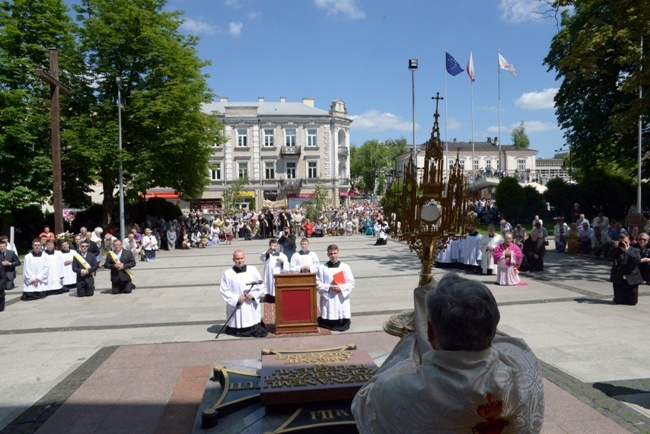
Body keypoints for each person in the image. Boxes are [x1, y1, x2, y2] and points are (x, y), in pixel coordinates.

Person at [351, 274, 544, 433]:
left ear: (430, 333)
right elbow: (502, 338)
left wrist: (406, 349)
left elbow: (364, 403)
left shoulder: (400, 390)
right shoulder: (524, 367)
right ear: (493, 326)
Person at [220, 250, 267, 337]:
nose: (240, 261)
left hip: (250, 303)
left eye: (241, 258)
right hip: (238, 303)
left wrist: (254, 294)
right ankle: (237, 328)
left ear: (244, 258)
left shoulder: (253, 270)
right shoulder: (227, 273)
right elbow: (224, 290)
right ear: (233, 259)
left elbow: (260, 285)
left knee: (252, 318)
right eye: (237, 259)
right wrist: (236, 299)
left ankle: (252, 328)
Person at [315, 244, 354, 331]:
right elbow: (317, 283)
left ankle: (341, 321)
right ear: (328, 255)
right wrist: (329, 287)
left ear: (338, 253)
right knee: (329, 311)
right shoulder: (322, 268)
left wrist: (341, 288)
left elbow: (351, 282)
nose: (333, 256)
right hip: (329, 295)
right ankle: (329, 322)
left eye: (335, 253)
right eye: (331, 254)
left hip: (340, 296)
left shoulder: (345, 267)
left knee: (341, 312)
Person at [607, 233, 642, 306]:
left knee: (632, 302)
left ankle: (627, 296)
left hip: (631, 278)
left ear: (629, 241)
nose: (624, 244)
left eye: (626, 242)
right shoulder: (616, 250)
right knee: (618, 301)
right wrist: (615, 248)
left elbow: (637, 259)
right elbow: (608, 258)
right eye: (622, 242)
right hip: (619, 278)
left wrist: (626, 250)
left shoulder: (635, 250)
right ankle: (620, 297)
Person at [259, 239, 289, 303]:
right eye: (272, 246)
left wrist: (282, 262)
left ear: (278, 246)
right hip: (269, 275)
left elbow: (287, 266)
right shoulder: (266, 254)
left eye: (275, 246)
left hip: (278, 274)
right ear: (269, 246)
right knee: (269, 286)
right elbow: (262, 259)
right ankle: (269, 298)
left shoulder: (282, 255)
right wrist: (267, 252)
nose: (274, 248)